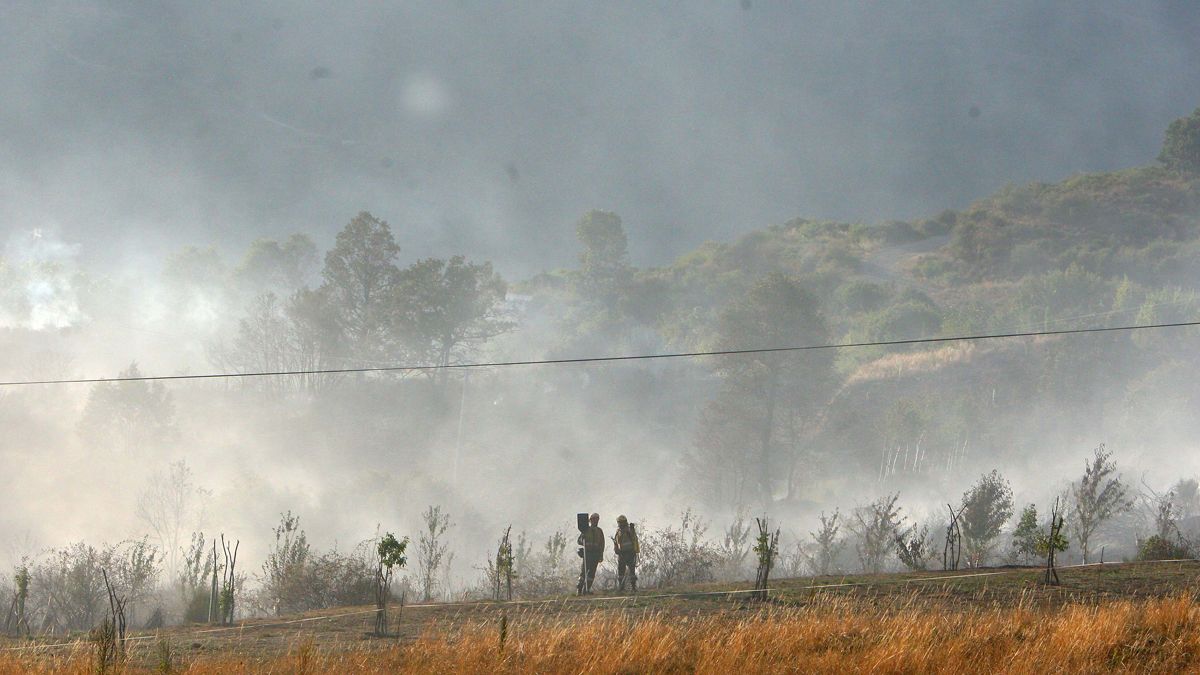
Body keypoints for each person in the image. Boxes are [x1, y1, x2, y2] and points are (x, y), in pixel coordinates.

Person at [577, 512, 604, 595]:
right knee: (583, 573)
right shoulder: (585, 530)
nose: (596, 521)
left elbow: (602, 544)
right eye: (594, 519)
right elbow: (579, 541)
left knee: (592, 573)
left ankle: (587, 589)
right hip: (587, 554)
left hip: (595, 554)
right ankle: (579, 589)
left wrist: (601, 555)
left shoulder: (599, 531)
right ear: (591, 520)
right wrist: (583, 540)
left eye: (597, 519)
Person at [613, 515, 639, 592]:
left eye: (621, 522)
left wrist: (632, 529)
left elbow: (634, 538)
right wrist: (616, 550)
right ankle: (621, 588)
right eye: (619, 522)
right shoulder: (618, 532)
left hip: (630, 553)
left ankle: (633, 588)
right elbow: (616, 542)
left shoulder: (629, 530)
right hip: (621, 554)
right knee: (621, 571)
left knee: (632, 571)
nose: (620, 524)